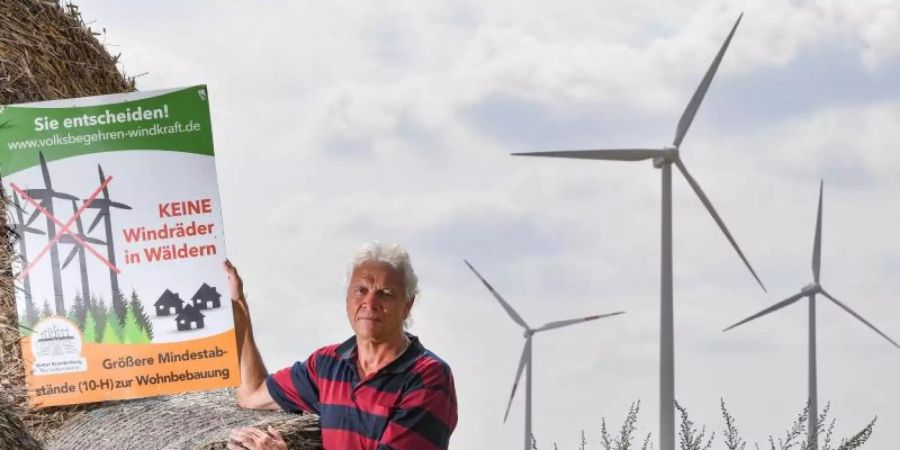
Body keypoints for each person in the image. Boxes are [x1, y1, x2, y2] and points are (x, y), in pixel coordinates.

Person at [226, 242, 458, 450]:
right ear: (347, 298)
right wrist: (238, 306)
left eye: (385, 294)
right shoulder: (328, 364)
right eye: (361, 290)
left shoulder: (429, 378)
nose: (370, 303)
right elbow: (252, 393)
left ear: (407, 305)